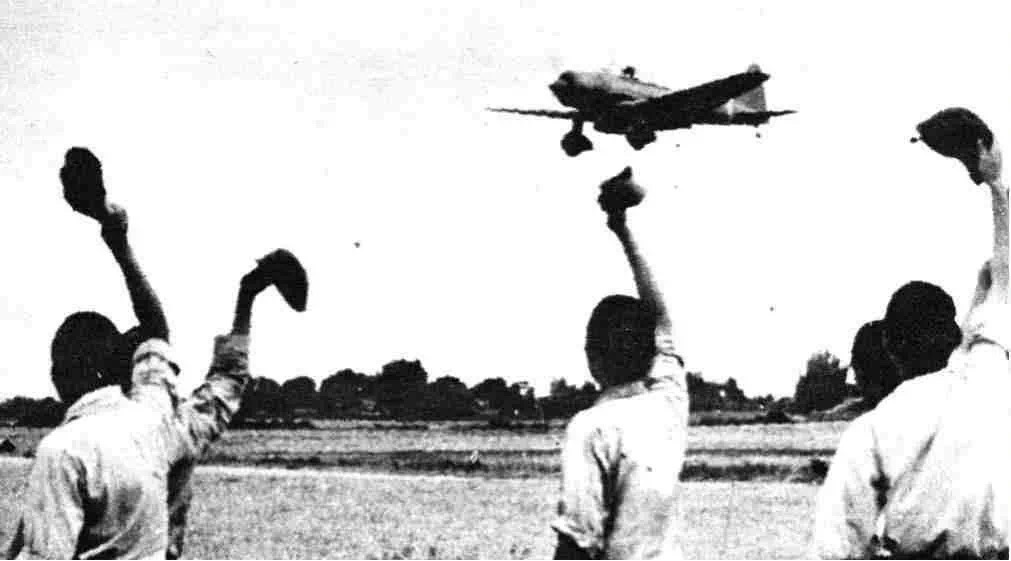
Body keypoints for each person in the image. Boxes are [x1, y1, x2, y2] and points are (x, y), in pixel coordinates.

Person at [813, 130, 1008, 558]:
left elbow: (835, 549)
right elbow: (1004, 284)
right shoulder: (988, 380)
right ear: (955, 336)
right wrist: (996, 183)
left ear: (890, 347)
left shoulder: (874, 429)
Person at [551, 168, 689, 560]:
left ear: (592, 358)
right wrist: (622, 229)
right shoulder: (669, 406)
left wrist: (619, 225)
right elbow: (661, 320)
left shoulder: (591, 428)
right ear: (649, 355)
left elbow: (577, 543)